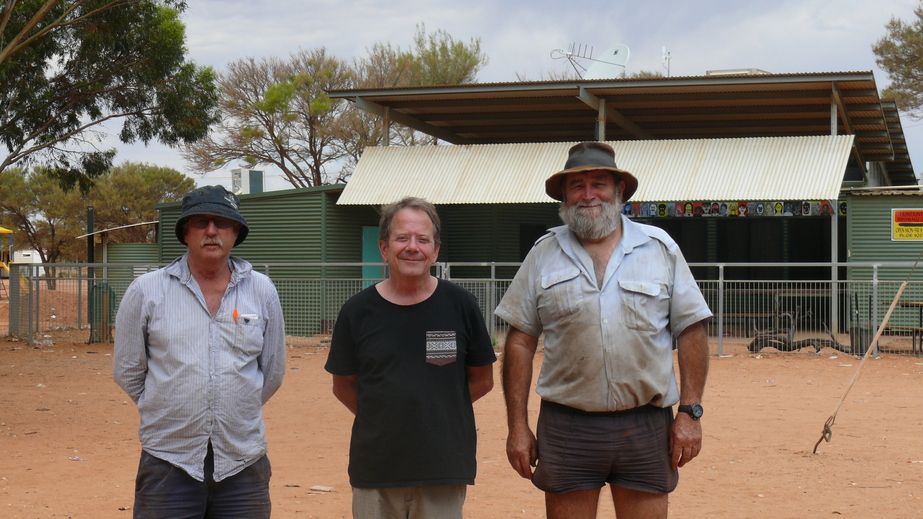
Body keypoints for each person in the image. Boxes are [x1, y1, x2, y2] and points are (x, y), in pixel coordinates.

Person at [496, 142, 712, 519]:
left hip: (646, 424)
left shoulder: (659, 248)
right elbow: (520, 341)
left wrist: (690, 413)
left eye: (599, 183)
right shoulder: (542, 254)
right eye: (577, 186)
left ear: (619, 191)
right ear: (564, 196)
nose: (588, 194)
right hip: (567, 427)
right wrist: (518, 426)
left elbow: (691, 329)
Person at [114, 185, 286, 519]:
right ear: (184, 232)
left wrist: (231, 404)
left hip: (243, 463)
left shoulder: (262, 290)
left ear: (235, 232)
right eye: (200, 222)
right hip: (168, 461)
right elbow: (128, 371)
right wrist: (168, 405)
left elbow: (273, 371)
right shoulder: (147, 291)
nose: (211, 231)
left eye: (222, 222)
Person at [325, 196, 497, 519]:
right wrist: (386, 415)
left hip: (442, 468)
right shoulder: (357, 312)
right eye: (402, 238)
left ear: (435, 250)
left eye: (423, 239)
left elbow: (482, 379)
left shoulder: (462, 306)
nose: (412, 247)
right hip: (375, 470)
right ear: (384, 248)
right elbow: (343, 385)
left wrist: (437, 408)